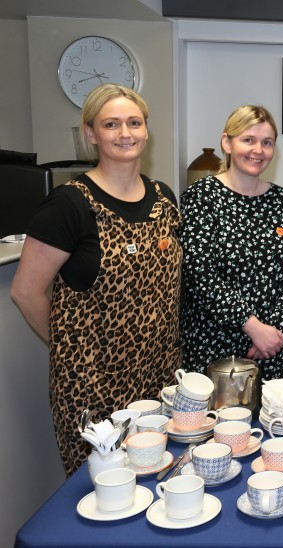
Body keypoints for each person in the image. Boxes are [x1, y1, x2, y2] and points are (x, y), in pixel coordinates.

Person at [10, 84, 181, 476]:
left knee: (159, 484)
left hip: (158, 379)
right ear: (91, 133)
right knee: (105, 494)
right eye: (111, 124)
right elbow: (25, 291)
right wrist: (72, 351)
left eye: (134, 122)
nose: (126, 133)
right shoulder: (69, 204)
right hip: (94, 388)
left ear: (146, 129)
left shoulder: (164, 199)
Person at [179, 105, 283, 381]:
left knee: (279, 423)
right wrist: (252, 327)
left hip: (275, 347)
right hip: (215, 348)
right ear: (227, 142)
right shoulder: (201, 198)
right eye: (248, 140)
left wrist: (270, 332)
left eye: (267, 142)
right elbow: (199, 274)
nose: (258, 150)